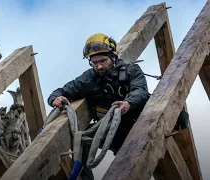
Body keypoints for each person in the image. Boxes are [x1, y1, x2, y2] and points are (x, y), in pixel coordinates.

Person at [47, 33, 150, 180]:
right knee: (83, 140)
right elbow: (63, 91)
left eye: (103, 60)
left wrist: (128, 103)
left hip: (136, 128)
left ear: (113, 56)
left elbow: (140, 90)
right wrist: (55, 99)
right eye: (94, 63)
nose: (99, 66)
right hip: (110, 132)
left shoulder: (131, 71)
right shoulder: (89, 78)